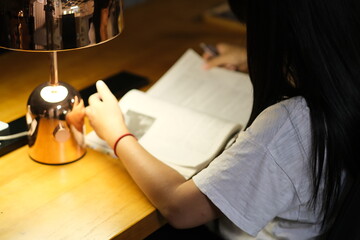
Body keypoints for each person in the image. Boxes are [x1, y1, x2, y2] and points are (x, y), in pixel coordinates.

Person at [85, 0, 360, 239]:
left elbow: (180, 208)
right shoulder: (345, 84)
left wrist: (117, 133)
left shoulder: (291, 124)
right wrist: (257, 59)